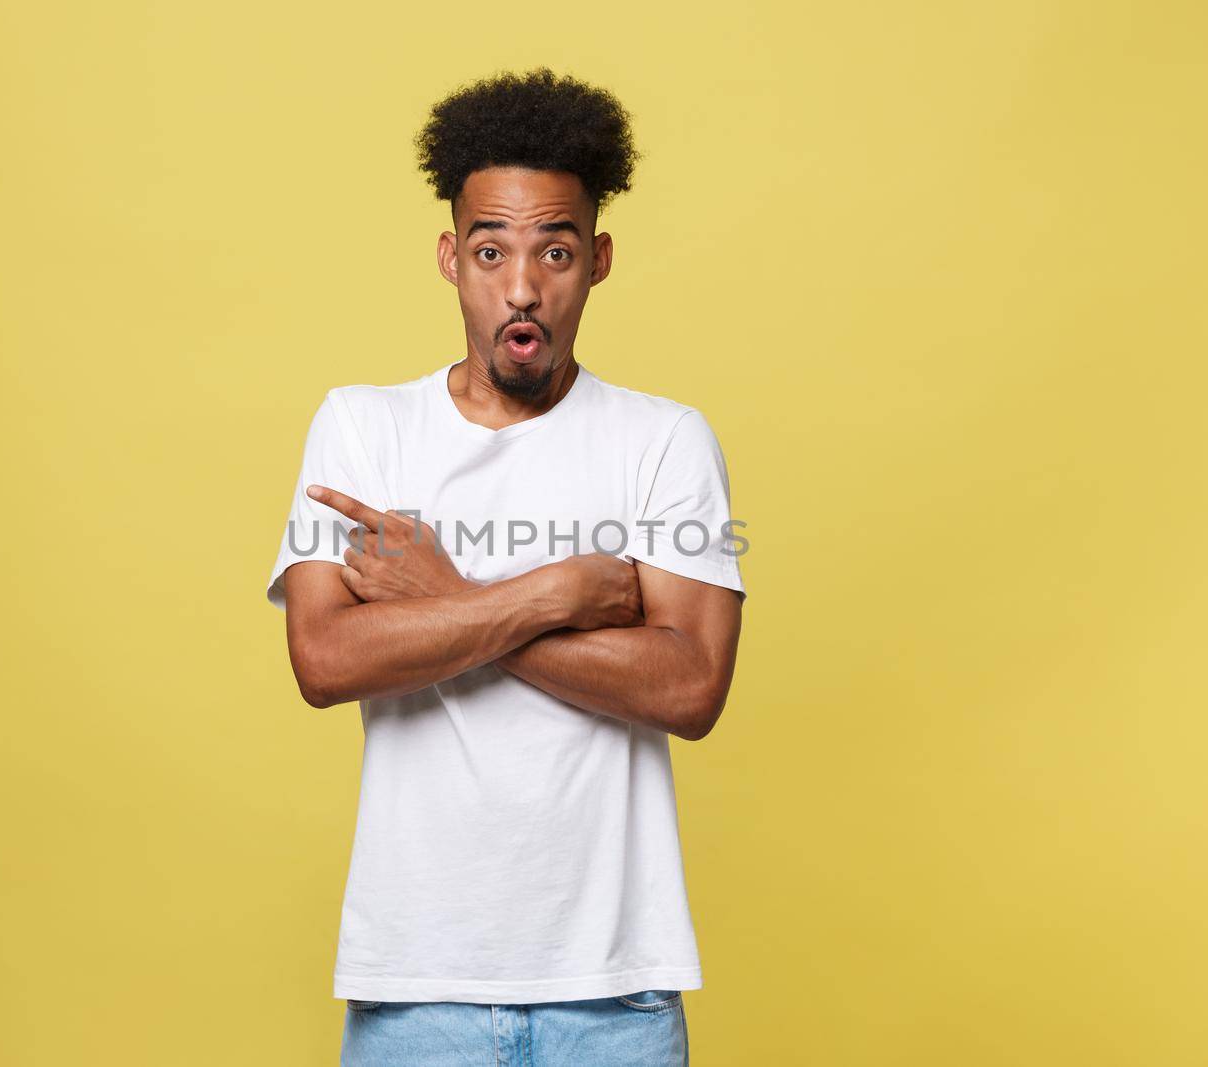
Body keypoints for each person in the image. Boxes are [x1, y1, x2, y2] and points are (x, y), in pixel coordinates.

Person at [266, 67, 746, 1067]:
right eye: (491, 251)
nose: (521, 286)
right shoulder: (363, 427)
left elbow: (691, 685)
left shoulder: (664, 441)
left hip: (614, 992)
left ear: (597, 258)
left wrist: (439, 605)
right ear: (451, 256)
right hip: (416, 989)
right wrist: (555, 594)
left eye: (554, 251)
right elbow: (323, 657)